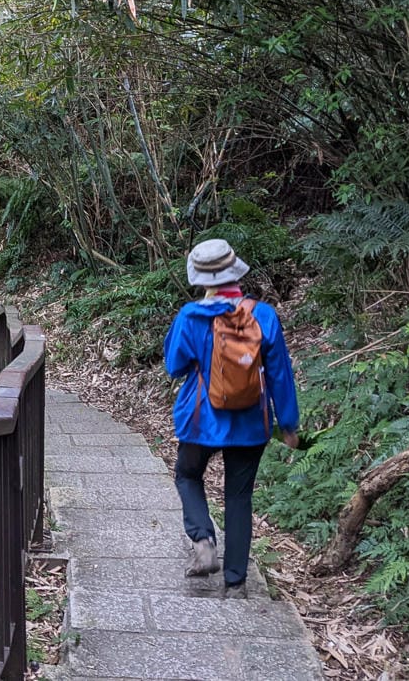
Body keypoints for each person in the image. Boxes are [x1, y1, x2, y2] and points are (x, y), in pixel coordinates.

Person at [162, 238, 299, 599]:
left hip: (199, 420)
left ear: (201, 278)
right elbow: (281, 373)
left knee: (188, 474)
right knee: (239, 497)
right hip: (251, 421)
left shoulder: (190, 316)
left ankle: (203, 539)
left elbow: (174, 367)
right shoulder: (264, 315)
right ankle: (235, 581)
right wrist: (288, 423)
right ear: (234, 271)